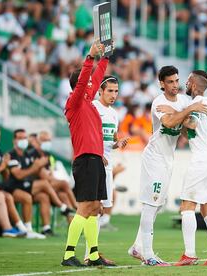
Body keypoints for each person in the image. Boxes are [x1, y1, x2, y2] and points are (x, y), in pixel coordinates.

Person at [127, 66, 207, 266]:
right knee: (151, 205)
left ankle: (137, 247)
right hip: (154, 158)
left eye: (177, 80)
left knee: (157, 206)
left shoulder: (182, 101)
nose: (175, 85)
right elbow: (171, 124)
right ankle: (148, 256)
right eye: (170, 82)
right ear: (161, 83)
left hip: (168, 159)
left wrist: (178, 113)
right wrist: (184, 112)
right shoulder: (158, 102)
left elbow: (190, 125)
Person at [62, 41, 112, 267]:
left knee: (95, 208)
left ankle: (93, 254)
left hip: (95, 158)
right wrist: (89, 59)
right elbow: (84, 81)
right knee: (84, 207)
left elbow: (97, 76)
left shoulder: (88, 103)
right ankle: (68, 254)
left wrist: (106, 57)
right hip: (85, 160)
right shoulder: (74, 102)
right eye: (90, 83)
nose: (93, 85)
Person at [171, 70, 207, 266]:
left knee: (187, 206)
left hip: (202, 160)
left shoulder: (197, 104)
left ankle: (190, 254)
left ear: (194, 85)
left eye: (187, 81)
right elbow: (201, 133)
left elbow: (191, 125)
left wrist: (177, 118)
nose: (185, 84)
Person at [82, 75, 129, 266]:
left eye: (116, 91)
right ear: (100, 90)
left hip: (107, 166)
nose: (113, 94)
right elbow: (86, 134)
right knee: (91, 208)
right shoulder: (93, 107)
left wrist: (119, 143)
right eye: (110, 90)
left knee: (99, 210)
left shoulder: (114, 113)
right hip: (93, 163)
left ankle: (91, 252)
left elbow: (111, 141)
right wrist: (96, 153)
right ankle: (89, 253)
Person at [7, 129, 72, 237]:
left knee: (44, 196)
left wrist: (38, 169)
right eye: (20, 138)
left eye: (24, 138)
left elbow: (37, 173)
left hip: (28, 185)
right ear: (14, 140)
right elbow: (19, 175)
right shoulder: (12, 154)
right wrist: (36, 167)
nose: (23, 140)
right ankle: (65, 207)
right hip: (15, 186)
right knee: (47, 185)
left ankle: (45, 228)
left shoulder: (28, 155)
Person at [30, 130, 77, 235]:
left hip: (47, 188)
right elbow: (44, 176)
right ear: (38, 141)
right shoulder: (33, 154)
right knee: (64, 183)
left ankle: (72, 228)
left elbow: (49, 174)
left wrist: (48, 175)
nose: (47, 143)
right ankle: (75, 206)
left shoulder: (47, 154)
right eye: (45, 140)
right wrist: (48, 176)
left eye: (49, 140)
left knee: (62, 195)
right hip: (34, 187)